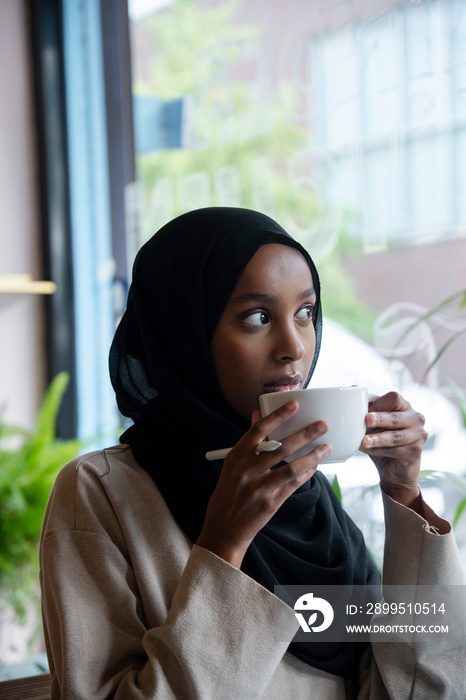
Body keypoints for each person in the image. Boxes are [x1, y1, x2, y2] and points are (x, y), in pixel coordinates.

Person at [40, 207, 465, 699]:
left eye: (305, 313)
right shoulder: (101, 494)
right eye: (257, 317)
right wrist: (224, 543)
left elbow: (428, 691)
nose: (294, 347)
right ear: (185, 333)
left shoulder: (308, 497)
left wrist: (404, 493)